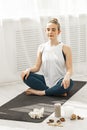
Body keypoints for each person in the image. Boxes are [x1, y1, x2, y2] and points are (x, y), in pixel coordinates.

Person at [21, 18, 74, 97]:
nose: (50, 32)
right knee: (25, 76)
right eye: (48, 30)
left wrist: (67, 76)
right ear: (45, 31)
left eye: (53, 30)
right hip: (46, 80)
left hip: (60, 81)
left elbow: (70, 69)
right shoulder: (41, 47)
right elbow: (36, 67)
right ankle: (56, 92)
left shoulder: (65, 48)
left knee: (70, 82)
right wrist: (28, 70)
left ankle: (40, 92)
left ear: (58, 32)